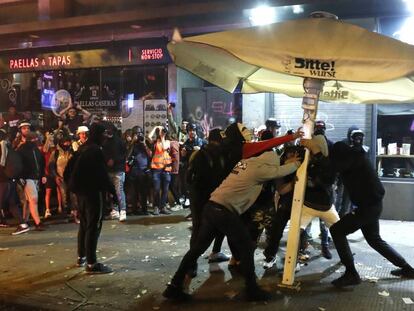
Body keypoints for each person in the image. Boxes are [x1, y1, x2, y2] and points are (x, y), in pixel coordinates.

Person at [163, 146, 302, 302]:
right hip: (223, 210)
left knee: (197, 249)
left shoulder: (247, 163)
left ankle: (174, 286)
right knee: (247, 247)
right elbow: (280, 171)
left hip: (211, 207)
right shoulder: (260, 169)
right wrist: (296, 163)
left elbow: (281, 186)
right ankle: (252, 290)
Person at [329, 141, 414, 287]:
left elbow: (335, 168)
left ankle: (351, 273)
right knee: (374, 239)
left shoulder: (350, 162)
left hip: (367, 208)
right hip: (372, 205)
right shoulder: (356, 157)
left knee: (336, 230)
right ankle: (407, 268)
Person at [68, 123, 118, 274]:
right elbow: (102, 174)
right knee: (93, 226)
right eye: (104, 134)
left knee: (84, 224)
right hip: (92, 193)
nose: (105, 137)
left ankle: (81, 257)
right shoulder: (95, 150)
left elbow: (68, 170)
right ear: (98, 134)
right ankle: (91, 262)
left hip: (81, 193)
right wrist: (112, 192)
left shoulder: (83, 148)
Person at [15, 121, 45, 231]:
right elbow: (19, 164)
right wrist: (20, 177)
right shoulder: (22, 148)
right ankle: (38, 222)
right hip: (27, 177)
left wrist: (42, 174)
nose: (36, 141)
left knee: (28, 201)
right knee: (33, 199)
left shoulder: (34, 149)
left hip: (34, 177)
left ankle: (24, 221)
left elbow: (40, 162)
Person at [102, 123, 127, 222]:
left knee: (118, 191)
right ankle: (115, 210)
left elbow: (124, 155)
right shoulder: (105, 142)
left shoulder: (119, 142)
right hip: (110, 170)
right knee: (112, 192)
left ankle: (122, 210)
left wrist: (113, 160)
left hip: (118, 170)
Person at [149, 125, 172, 215]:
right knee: (156, 189)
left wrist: (162, 136)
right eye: (161, 131)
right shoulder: (155, 142)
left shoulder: (167, 141)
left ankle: (163, 207)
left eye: (163, 131)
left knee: (165, 189)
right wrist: (155, 128)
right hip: (156, 169)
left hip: (166, 168)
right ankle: (156, 207)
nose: (162, 132)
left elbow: (164, 148)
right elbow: (148, 137)